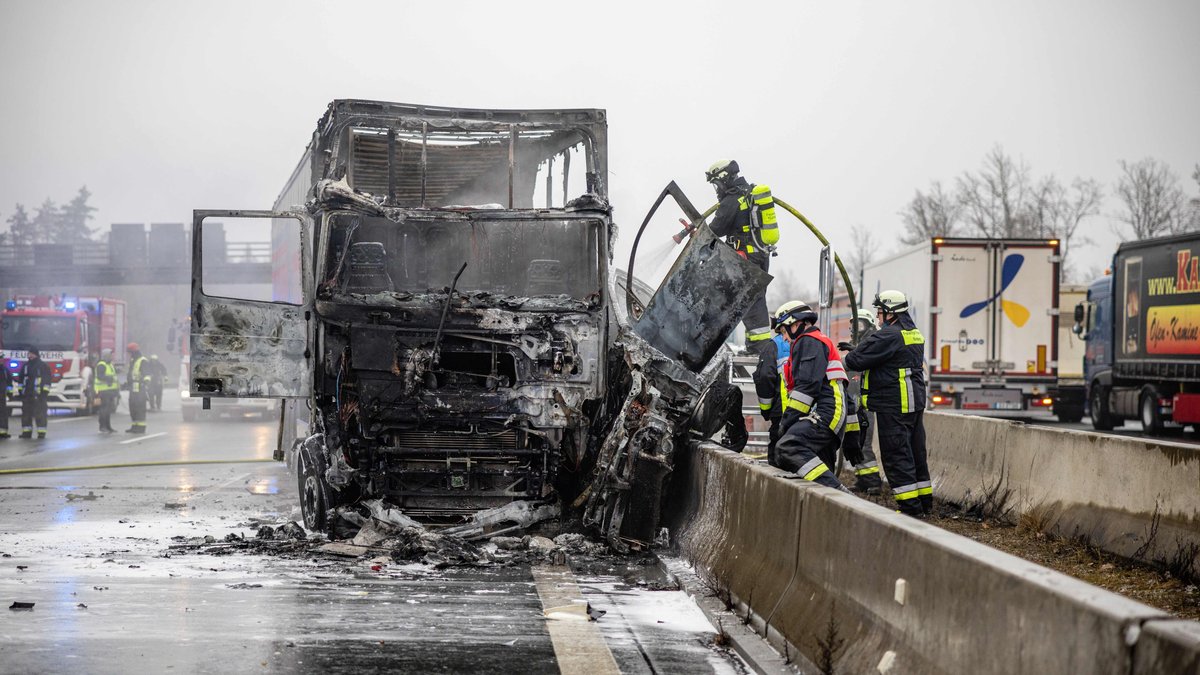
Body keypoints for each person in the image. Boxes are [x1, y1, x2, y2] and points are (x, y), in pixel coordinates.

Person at [842, 290, 931, 517]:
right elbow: (889, 356)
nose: (878, 317)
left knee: (897, 456)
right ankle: (924, 502)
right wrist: (860, 349)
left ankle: (910, 509)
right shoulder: (912, 332)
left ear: (890, 313)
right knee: (915, 453)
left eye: (880, 312)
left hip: (894, 404)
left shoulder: (888, 335)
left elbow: (856, 361)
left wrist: (847, 355)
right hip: (914, 403)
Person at [772, 301, 848, 490]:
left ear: (795, 323)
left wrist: (787, 423)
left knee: (788, 447)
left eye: (783, 332)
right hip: (831, 413)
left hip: (826, 413)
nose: (785, 339)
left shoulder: (808, 341)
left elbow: (807, 388)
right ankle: (834, 502)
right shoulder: (818, 341)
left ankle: (840, 494)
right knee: (819, 468)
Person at [704, 159, 779, 350]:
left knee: (747, 301)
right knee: (752, 300)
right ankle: (755, 345)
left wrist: (698, 230)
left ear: (723, 178)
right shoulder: (749, 193)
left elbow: (716, 229)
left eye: (716, 184)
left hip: (745, 260)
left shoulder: (731, 200)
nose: (717, 189)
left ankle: (760, 349)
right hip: (760, 257)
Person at [841, 309, 883, 494]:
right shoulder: (857, 345)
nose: (855, 329)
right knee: (855, 441)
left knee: (864, 441)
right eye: (853, 325)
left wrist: (854, 352)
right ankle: (862, 479)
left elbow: (868, 361)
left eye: (859, 325)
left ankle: (873, 481)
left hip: (866, 403)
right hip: (854, 402)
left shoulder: (873, 343)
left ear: (869, 325)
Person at [751, 313, 791, 466]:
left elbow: (764, 378)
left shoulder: (773, 346)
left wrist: (766, 410)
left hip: (782, 412)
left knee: (778, 456)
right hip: (810, 415)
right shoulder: (811, 342)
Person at [17, 349, 52, 439]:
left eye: (32, 354)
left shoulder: (43, 366)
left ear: (36, 354)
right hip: (27, 395)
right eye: (29, 354)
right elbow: (21, 380)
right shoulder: (25, 366)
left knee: (40, 414)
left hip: (39, 395)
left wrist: (44, 392)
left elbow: (47, 380)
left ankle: (41, 432)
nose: (30, 355)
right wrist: (21, 391)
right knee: (26, 414)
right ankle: (26, 432)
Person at [125, 342, 150, 434]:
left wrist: (145, 382)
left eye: (130, 352)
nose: (129, 355)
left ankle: (141, 427)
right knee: (133, 408)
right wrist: (128, 383)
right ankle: (135, 425)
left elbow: (147, 374)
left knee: (140, 408)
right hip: (133, 389)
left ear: (133, 352)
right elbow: (131, 374)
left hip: (140, 389)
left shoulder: (143, 361)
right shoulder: (133, 361)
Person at [94, 348, 119, 433]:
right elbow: (100, 376)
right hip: (103, 391)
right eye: (110, 355)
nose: (112, 356)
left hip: (110, 391)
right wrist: (110, 379)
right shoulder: (101, 365)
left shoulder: (110, 365)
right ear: (106, 355)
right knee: (103, 409)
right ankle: (102, 427)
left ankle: (108, 427)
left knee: (108, 410)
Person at [0, 363, 11, 439]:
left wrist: (10, 393)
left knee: (3, 413)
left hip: (2, 395)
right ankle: (3, 432)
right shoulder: (4, 369)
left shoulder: (4, 369)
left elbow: (9, 381)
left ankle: (3, 432)